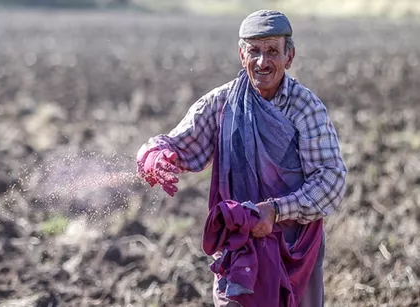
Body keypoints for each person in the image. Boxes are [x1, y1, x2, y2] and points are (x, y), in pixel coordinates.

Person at [136, 9, 347, 307]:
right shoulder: (222, 103)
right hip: (240, 247)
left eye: (272, 51)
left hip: (294, 249)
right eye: (254, 51)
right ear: (241, 54)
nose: (262, 61)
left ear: (289, 56)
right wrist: (156, 157)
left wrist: (274, 211)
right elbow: (179, 146)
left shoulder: (306, 109)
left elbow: (331, 182)